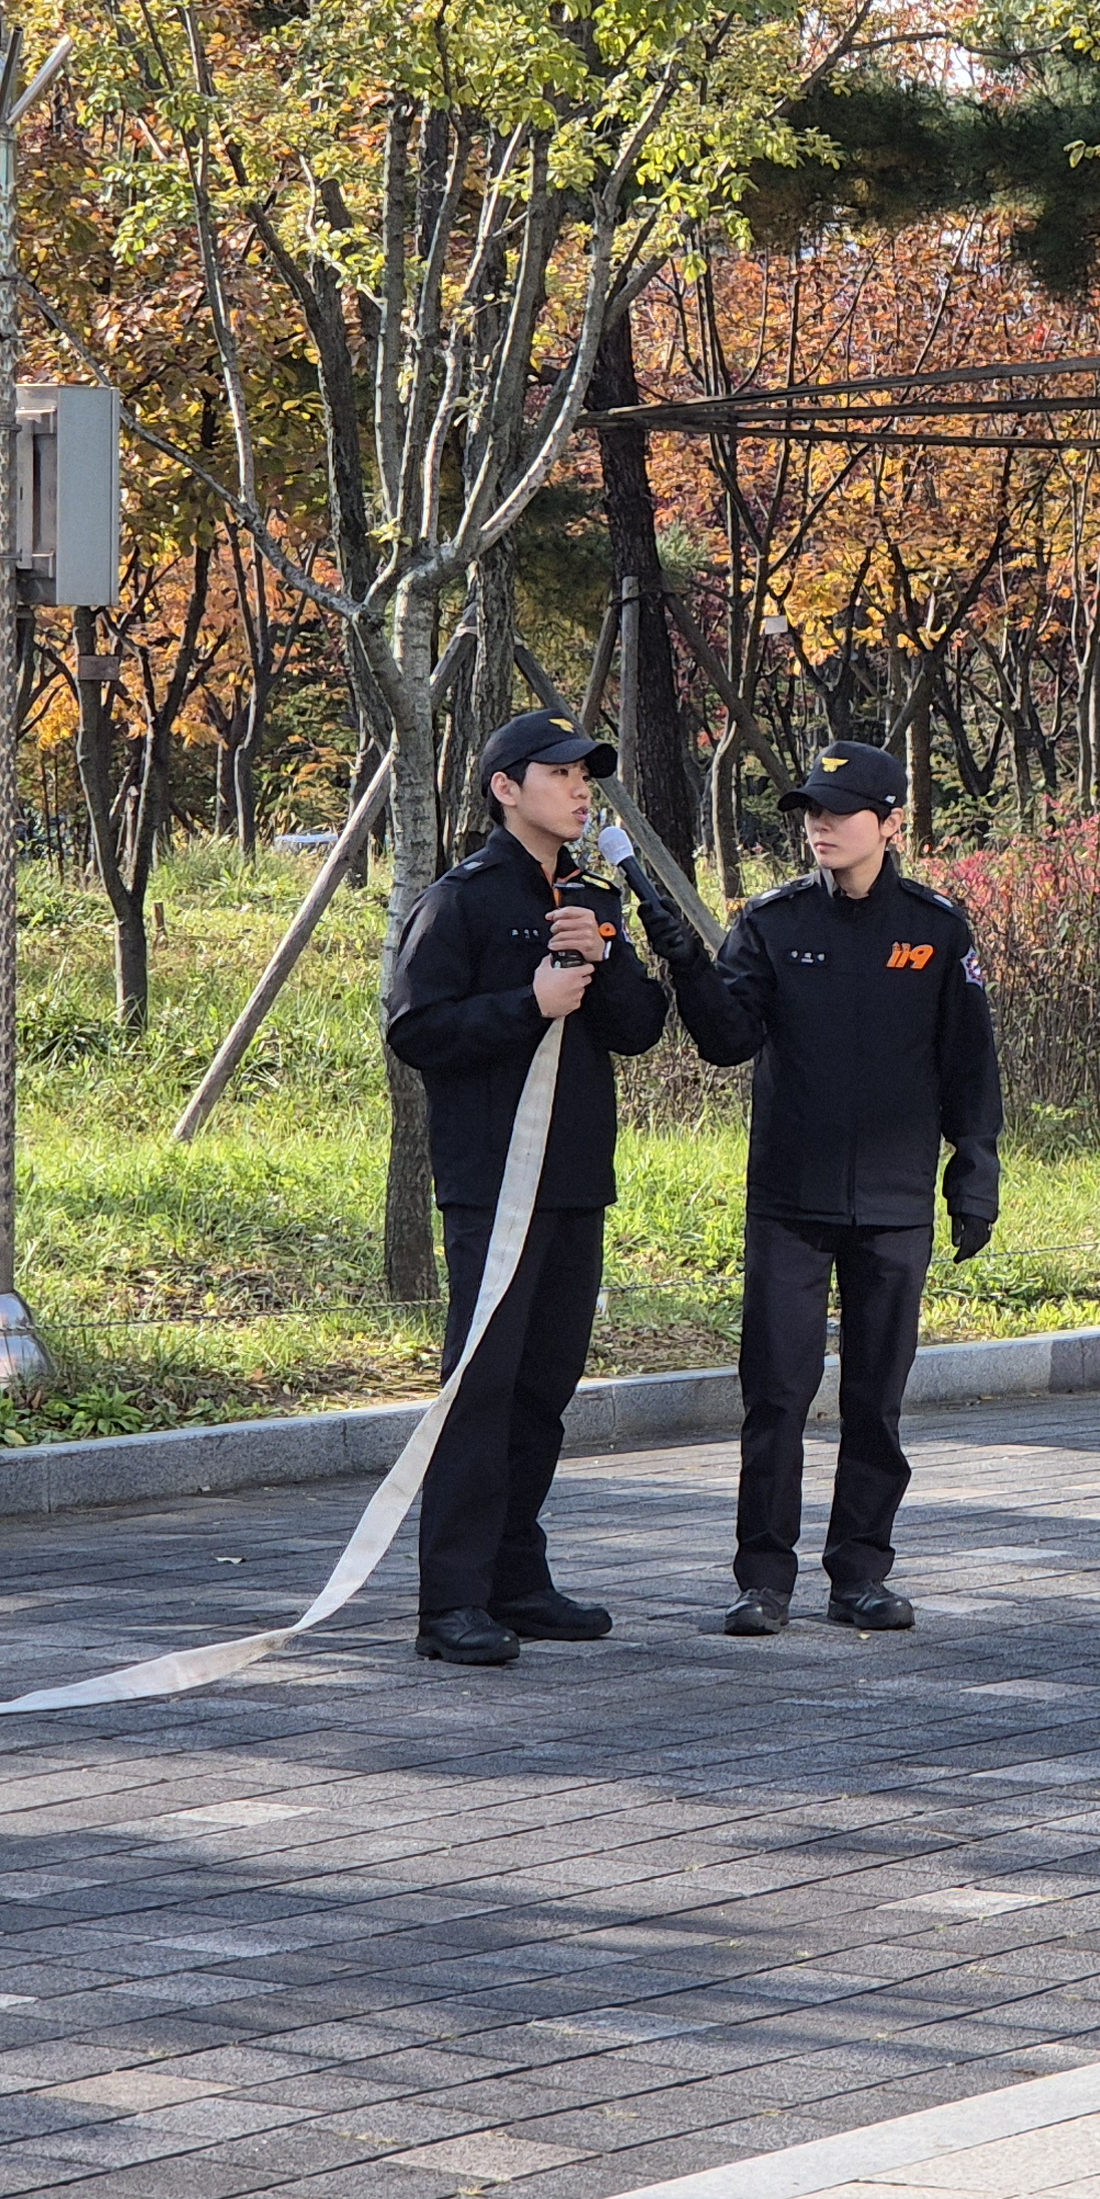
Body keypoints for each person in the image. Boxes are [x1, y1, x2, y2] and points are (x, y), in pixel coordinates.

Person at [645, 740, 1000, 1634]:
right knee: (776, 1396)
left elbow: (970, 1067)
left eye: (840, 810)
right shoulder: (771, 925)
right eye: (811, 810)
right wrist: (688, 960)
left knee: (876, 1400)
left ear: (890, 823)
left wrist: (975, 1171)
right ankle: (763, 1579)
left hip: (893, 1204)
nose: (820, 825)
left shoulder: (936, 928)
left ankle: (861, 1577)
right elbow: (727, 1039)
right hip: (790, 1204)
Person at [382, 710, 669, 1668]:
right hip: (493, 1185)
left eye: (588, 774)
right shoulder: (460, 900)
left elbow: (637, 1028)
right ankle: (450, 1603)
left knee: (545, 1388)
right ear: (506, 787)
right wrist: (526, 1005)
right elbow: (418, 1033)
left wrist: (607, 955)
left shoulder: (591, 894)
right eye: (560, 774)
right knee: (484, 1388)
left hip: (577, 1180)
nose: (581, 789)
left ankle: (517, 1578)